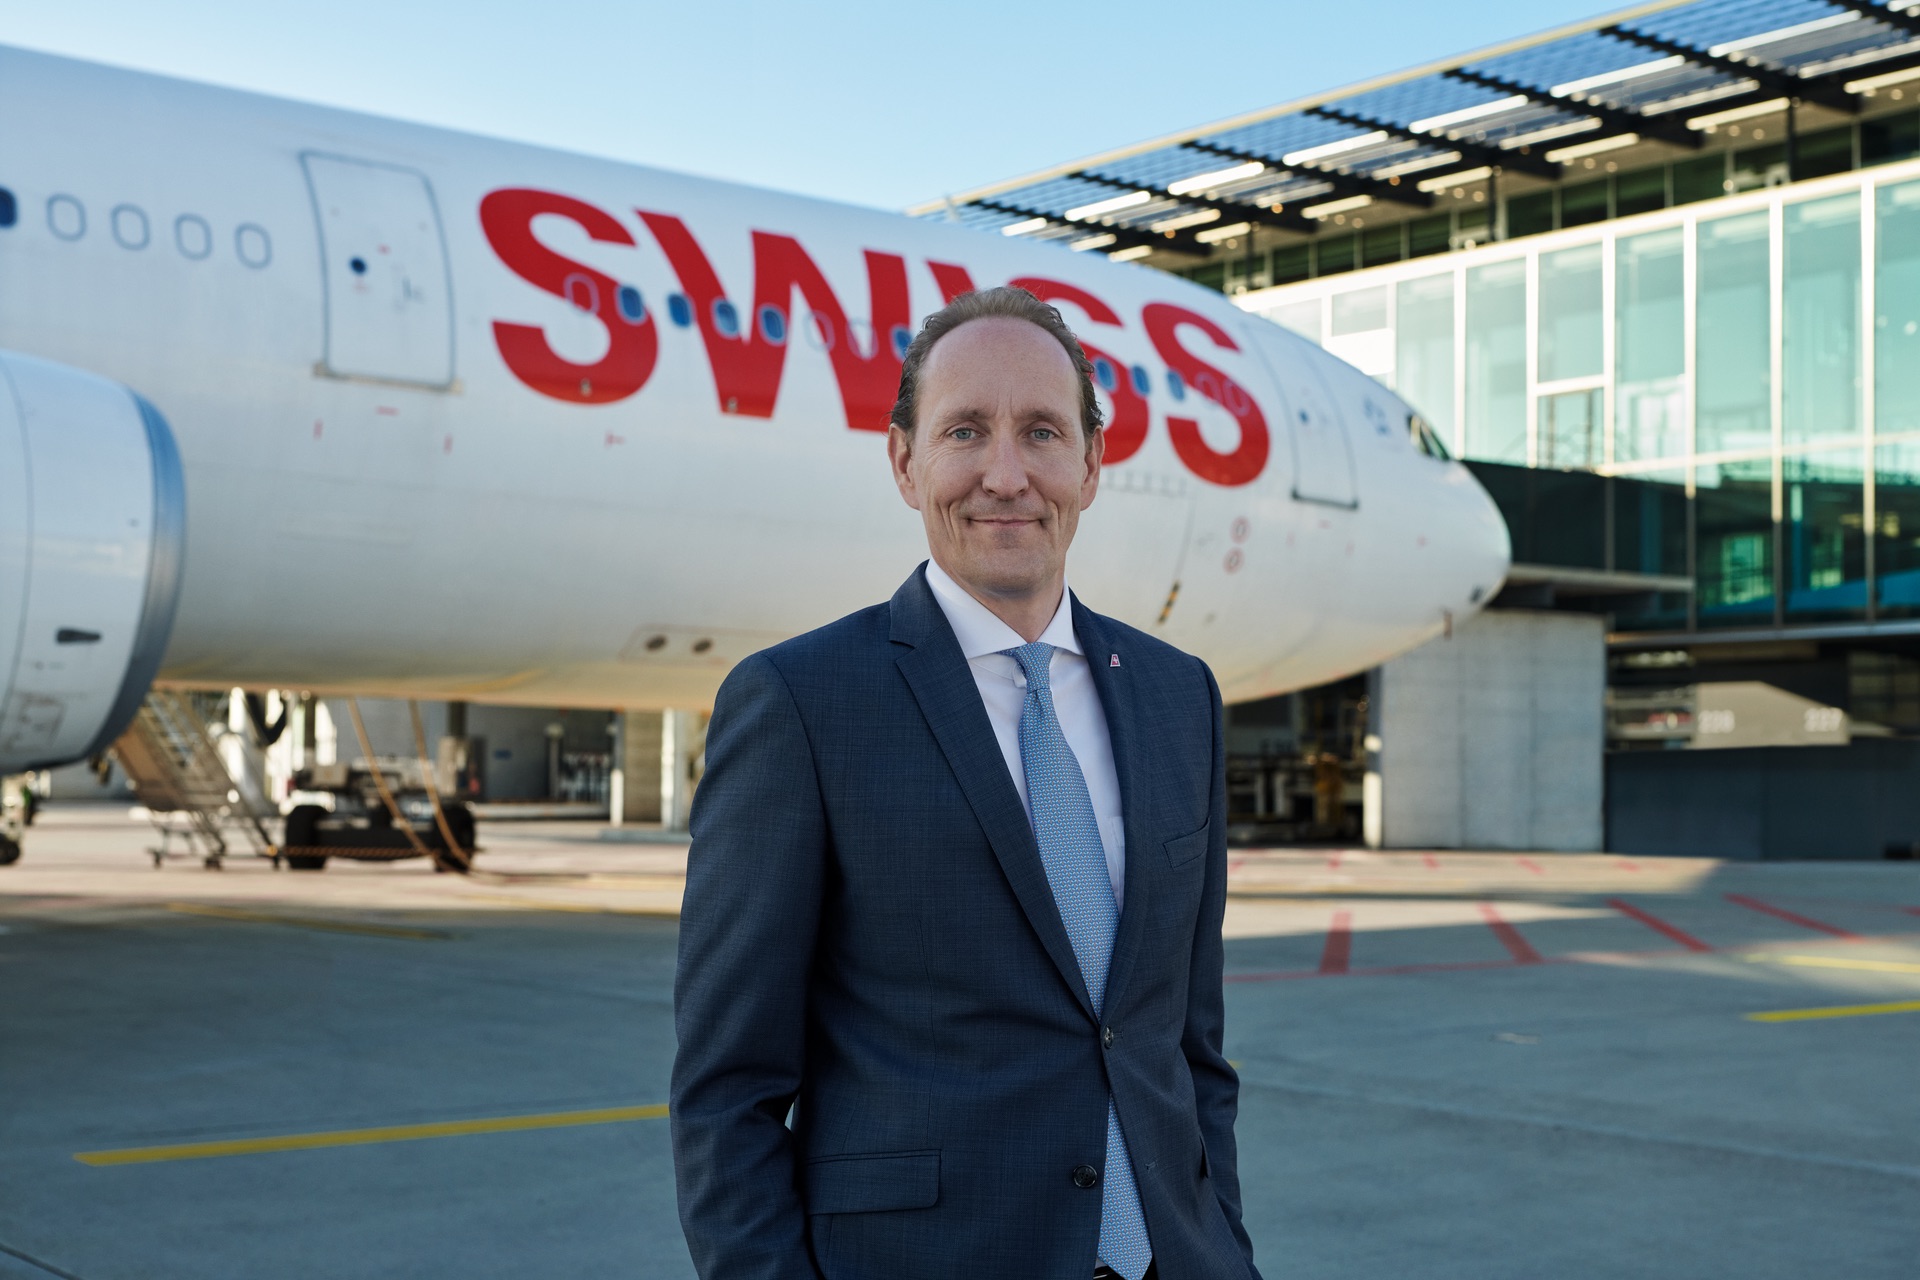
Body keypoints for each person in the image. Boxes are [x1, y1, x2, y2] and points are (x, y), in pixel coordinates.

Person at [671, 286, 1260, 1280]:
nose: (1005, 473)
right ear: (905, 461)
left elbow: (1188, 1047)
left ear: (1092, 461)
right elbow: (728, 1091)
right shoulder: (799, 704)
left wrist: (1226, 1249)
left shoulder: (1179, 697)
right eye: (965, 431)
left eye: (1041, 431)